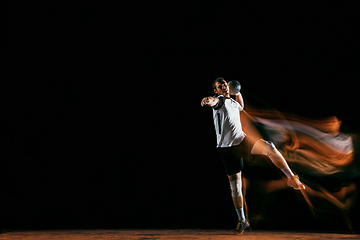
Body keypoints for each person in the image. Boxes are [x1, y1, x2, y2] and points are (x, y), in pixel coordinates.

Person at [201, 77, 305, 235]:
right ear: (216, 90)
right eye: (219, 85)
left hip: (241, 141)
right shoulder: (220, 100)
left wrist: (238, 92)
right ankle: (242, 220)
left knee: (270, 147)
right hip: (227, 149)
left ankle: (292, 178)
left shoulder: (234, 103)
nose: (223, 86)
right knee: (235, 187)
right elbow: (213, 102)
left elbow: (241, 106)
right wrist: (207, 100)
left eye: (225, 84)